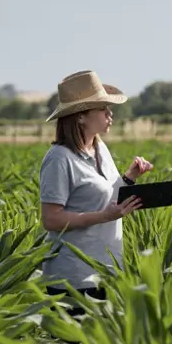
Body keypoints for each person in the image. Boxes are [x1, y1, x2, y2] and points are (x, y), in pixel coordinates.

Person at [37, 70, 155, 317]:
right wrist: (103, 216)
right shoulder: (59, 159)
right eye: (103, 109)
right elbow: (52, 219)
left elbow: (107, 197)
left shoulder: (99, 147)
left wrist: (129, 178)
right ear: (81, 116)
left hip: (107, 271)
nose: (110, 115)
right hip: (74, 278)